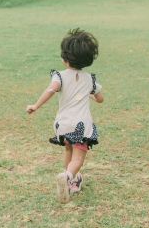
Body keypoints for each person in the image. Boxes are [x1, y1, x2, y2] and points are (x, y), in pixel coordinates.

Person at [26, 28, 103, 203]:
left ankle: (73, 181)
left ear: (65, 59)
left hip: (62, 125)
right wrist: (89, 93)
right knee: (78, 157)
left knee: (68, 149)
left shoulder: (59, 76)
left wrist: (35, 105)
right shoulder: (89, 79)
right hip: (81, 126)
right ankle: (68, 175)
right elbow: (100, 99)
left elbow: (51, 89)